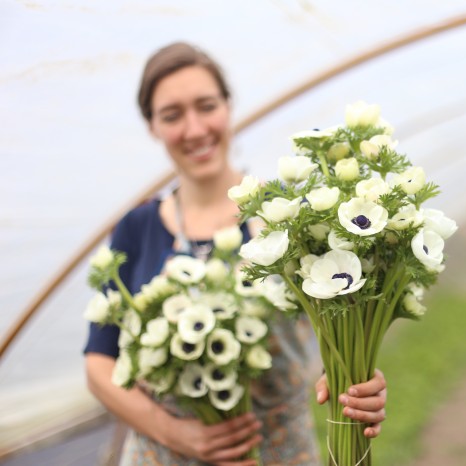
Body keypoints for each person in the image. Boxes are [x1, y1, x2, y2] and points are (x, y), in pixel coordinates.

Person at [83, 42, 387, 466]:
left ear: (228, 106)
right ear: (152, 126)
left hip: (278, 452)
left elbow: (339, 327)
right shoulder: (136, 228)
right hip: (162, 454)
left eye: (206, 106)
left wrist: (356, 383)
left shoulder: (289, 215)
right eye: (172, 115)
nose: (194, 129)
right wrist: (176, 432)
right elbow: (100, 362)